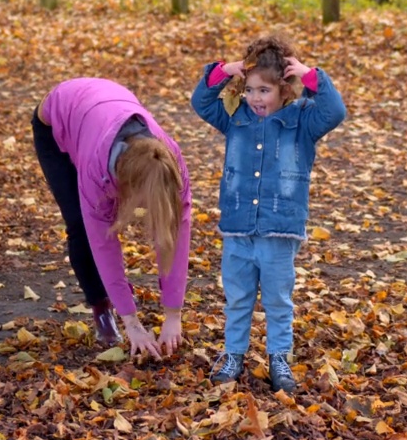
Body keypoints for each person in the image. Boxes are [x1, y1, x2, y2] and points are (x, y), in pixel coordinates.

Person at [190, 35, 346, 393]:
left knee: (277, 299)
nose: (255, 98)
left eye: (264, 91)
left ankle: (279, 357)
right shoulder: (235, 119)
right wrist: (224, 71)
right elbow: (201, 101)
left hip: (279, 231)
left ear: (284, 88)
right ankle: (233, 354)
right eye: (250, 90)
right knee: (238, 297)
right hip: (238, 229)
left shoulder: (303, 122)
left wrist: (311, 75)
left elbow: (335, 110)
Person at [32, 78, 192, 358]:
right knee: (81, 226)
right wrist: (131, 322)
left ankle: (120, 307)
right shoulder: (97, 169)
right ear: (124, 186)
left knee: (165, 216)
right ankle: (101, 307)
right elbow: (103, 242)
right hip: (58, 116)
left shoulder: (170, 164)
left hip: (103, 108)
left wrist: (173, 315)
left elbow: (176, 231)